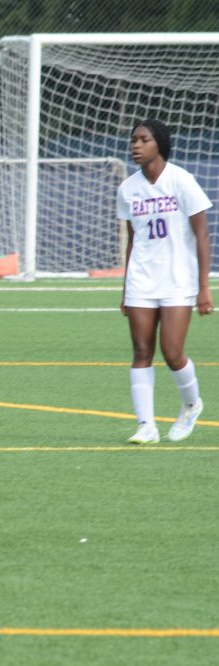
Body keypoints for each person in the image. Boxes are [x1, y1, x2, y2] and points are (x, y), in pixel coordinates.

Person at [118, 119, 213, 444]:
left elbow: (202, 235)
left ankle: (191, 404)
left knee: (172, 352)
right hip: (141, 280)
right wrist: (125, 288)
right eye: (134, 140)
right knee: (141, 350)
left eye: (143, 140)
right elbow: (133, 241)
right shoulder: (128, 188)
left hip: (177, 280)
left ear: (159, 143)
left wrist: (203, 287)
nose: (136, 145)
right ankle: (146, 425)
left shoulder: (181, 181)